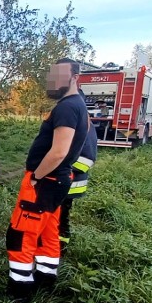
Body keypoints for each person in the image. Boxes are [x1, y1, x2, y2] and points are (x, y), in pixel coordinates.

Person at [5, 58, 89, 303]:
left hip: (46, 180)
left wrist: (37, 177)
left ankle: (19, 293)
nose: (54, 81)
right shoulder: (77, 105)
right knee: (48, 232)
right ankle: (45, 279)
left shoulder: (66, 107)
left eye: (60, 75)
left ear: (74, 77)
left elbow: (59, 152)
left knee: (21, 234)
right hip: (58, 181)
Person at [59, 92, 98, 252]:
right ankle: (57, 247)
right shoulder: (84, 123)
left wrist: (60, 167)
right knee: (61, 218)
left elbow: (87, 159)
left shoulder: (83, 125)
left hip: (68, 182)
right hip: (68, 182)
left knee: (60, 219)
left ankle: (58, 249)